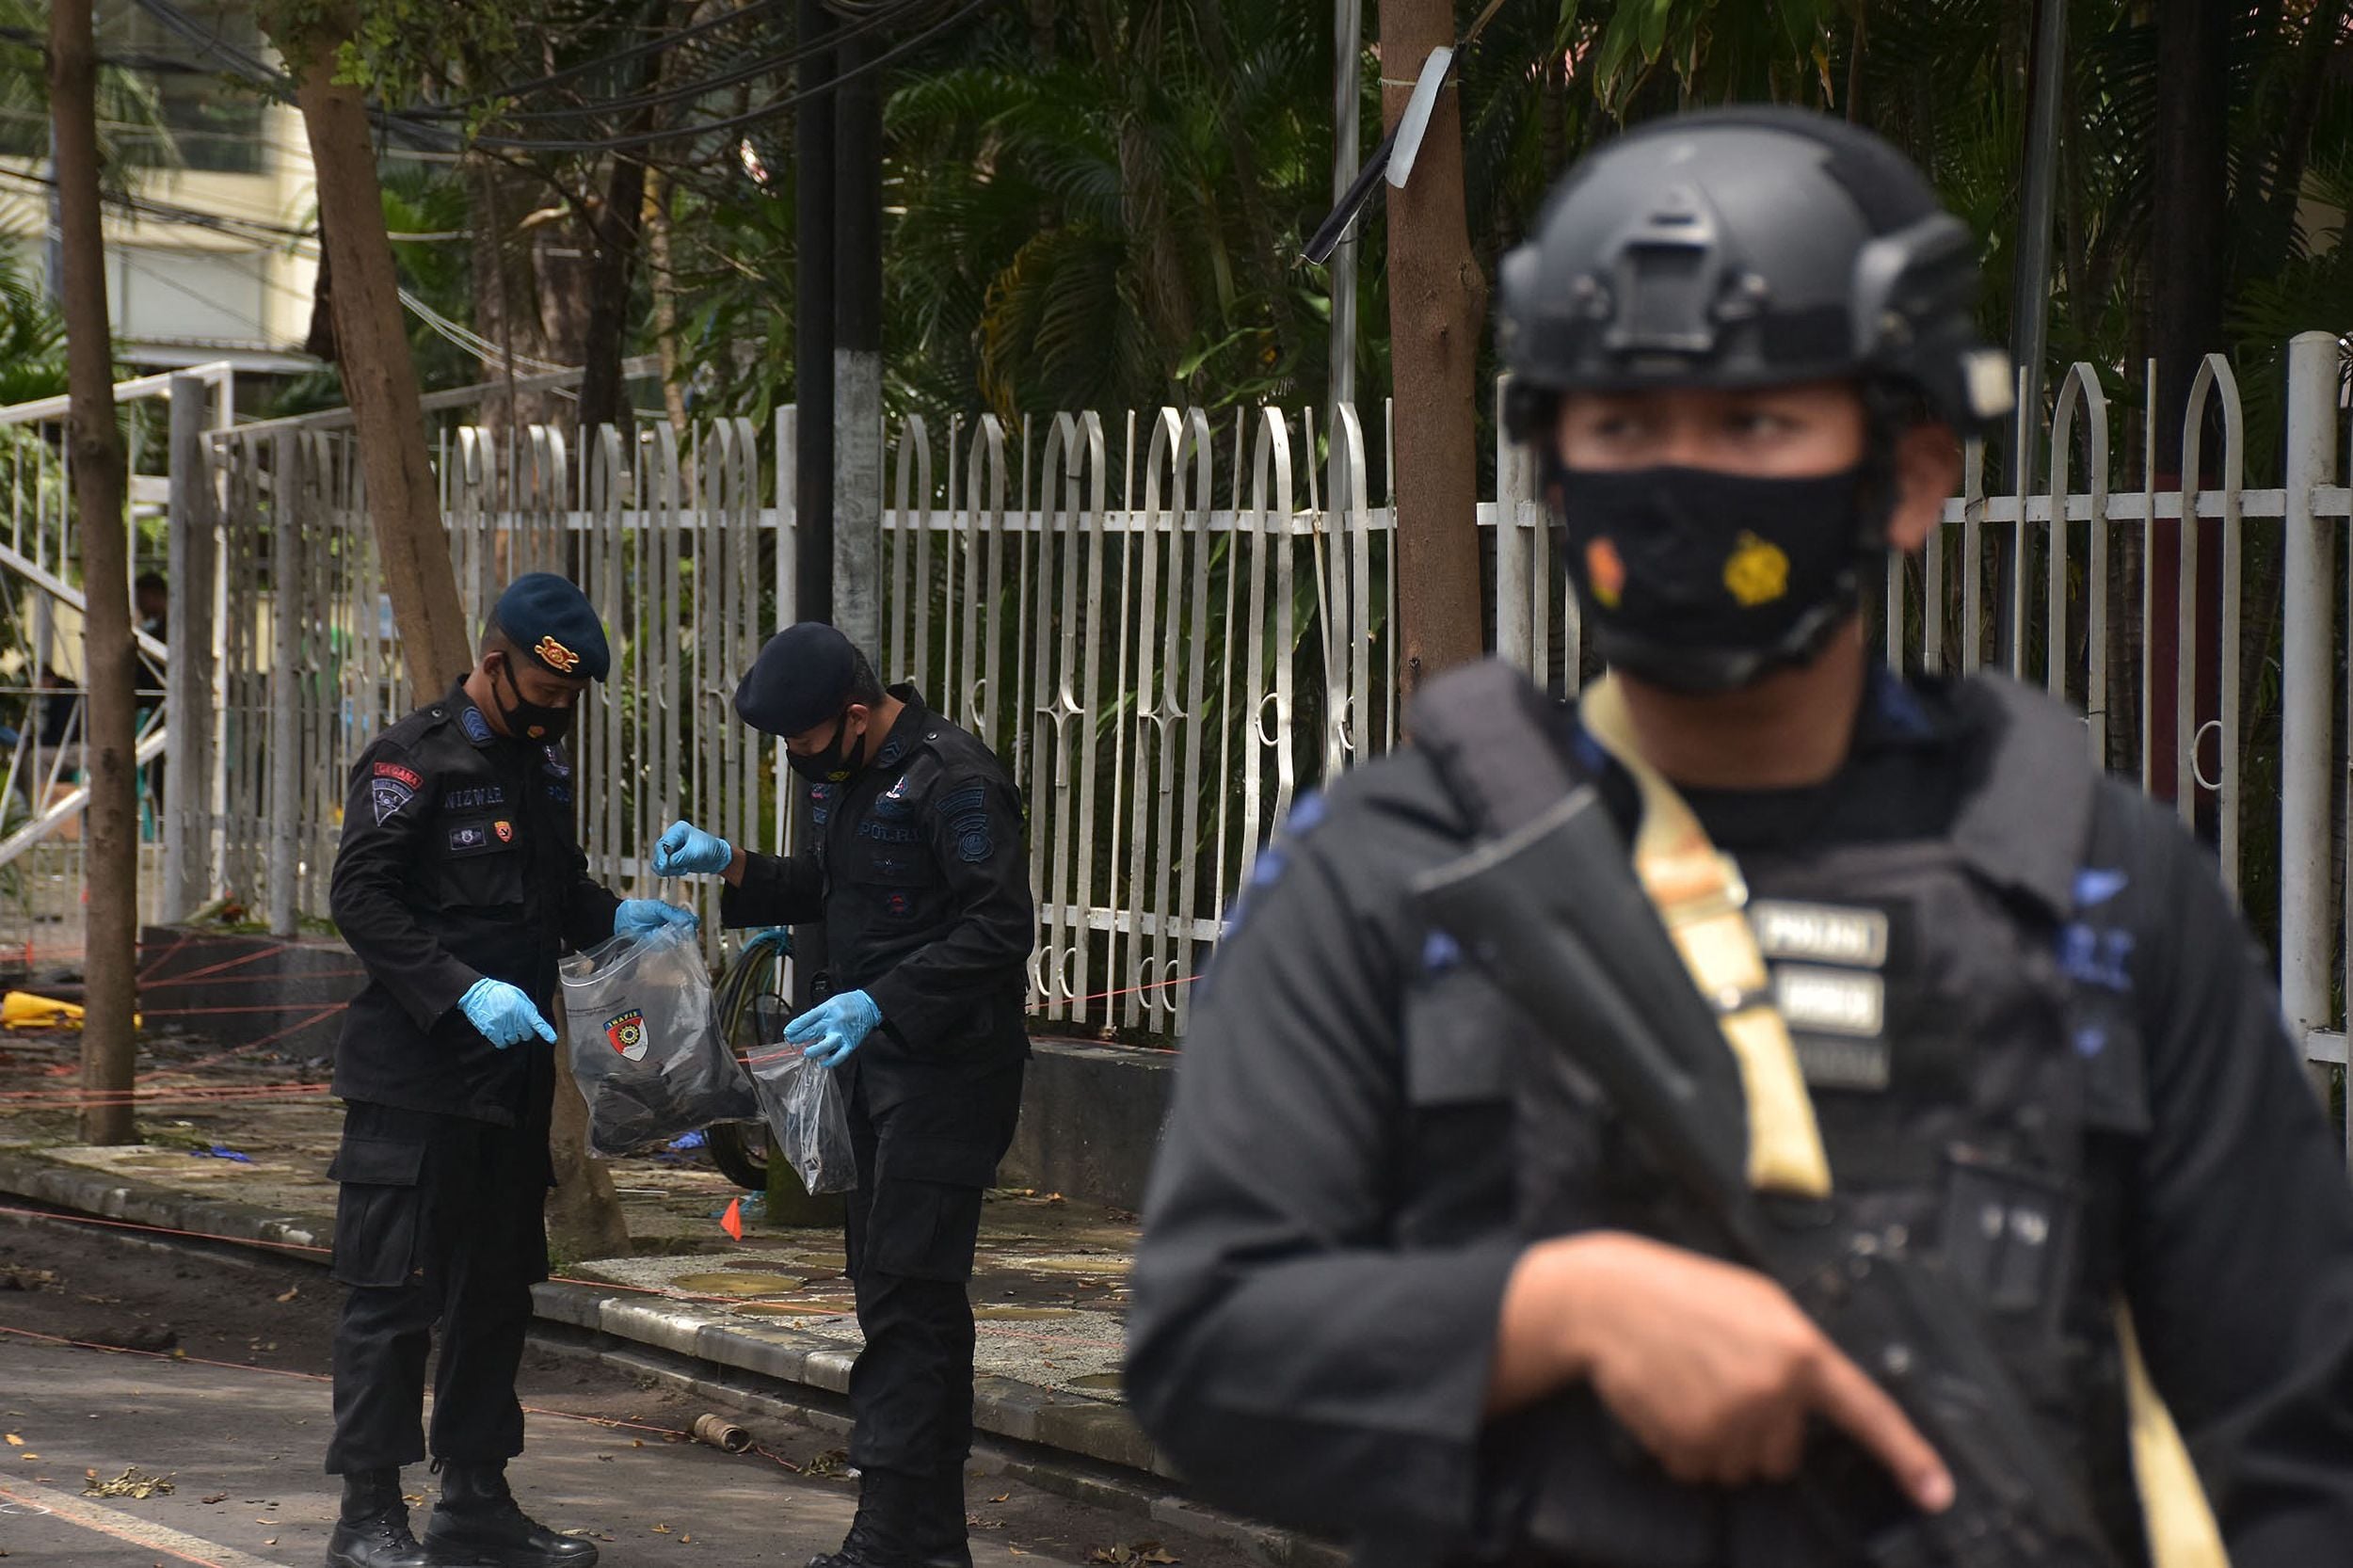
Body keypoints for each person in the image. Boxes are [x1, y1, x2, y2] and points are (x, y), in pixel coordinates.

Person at [1126, 106, 2353, 1568]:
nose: (1680, 479)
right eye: (1624, 427)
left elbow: (2292, 1442)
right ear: (1557, 475)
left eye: (1755, 423)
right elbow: (1206, 1348)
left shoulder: (2101, 885)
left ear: (1910, 476)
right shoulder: (1394, 867)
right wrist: (1557, 1310)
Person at [323, 573, 697, 1568]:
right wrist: (460, 990)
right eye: (547, 691)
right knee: (394, 1297)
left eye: (571, 698)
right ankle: (368, 1517)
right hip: (414, 1081)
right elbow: (361, 900)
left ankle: (475, 1500)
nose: (558, 711)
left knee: (494, 1295)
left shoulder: (541, 767)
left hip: (508, 1084)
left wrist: (615, 916)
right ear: (496, 665)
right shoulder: (412, 761)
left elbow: (553, 890)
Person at [652, 622, 1032, 1568]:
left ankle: (890, 1536)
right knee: (891, 1296)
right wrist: (734, 864)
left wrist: (883, 1000)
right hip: (870, 1071)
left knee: (908, 1298)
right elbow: (831, 886)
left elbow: (998, 928)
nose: (796, 756)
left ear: (856, 714)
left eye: (804, 738)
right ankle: (927, 1540)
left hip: (947, 1074)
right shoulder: (847, 778)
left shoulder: (954, 780)